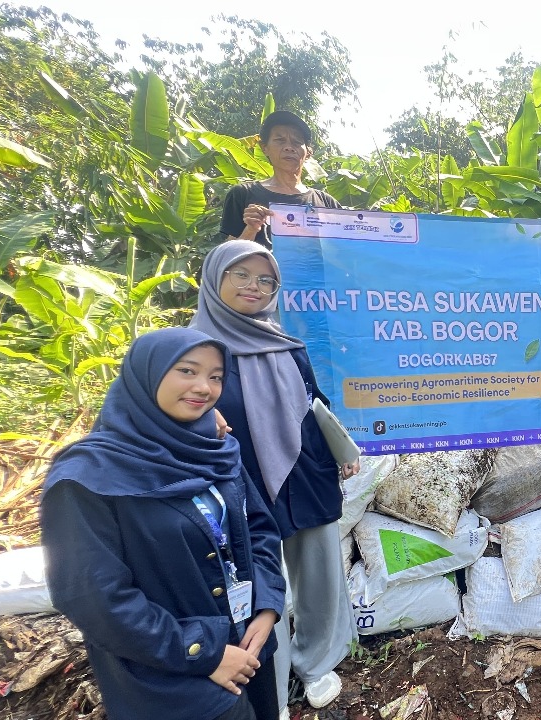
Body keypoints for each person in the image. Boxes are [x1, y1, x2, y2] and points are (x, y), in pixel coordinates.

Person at [41, 328, 285, 720]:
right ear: (147, 375)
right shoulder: (88, 476)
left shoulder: (215, 449)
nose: (204, 387)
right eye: (187, 371)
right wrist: (203, 653)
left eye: (216, 376)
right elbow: (93, 597)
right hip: (170, 680)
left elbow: (258, 529)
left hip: (248, 647)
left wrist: (267, 606)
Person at [190, 240, 358, 710]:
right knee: (260, 583)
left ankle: (317, 662)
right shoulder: (194, 348)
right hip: (238, 481)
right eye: (241, 275)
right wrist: (203, 418)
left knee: (321, 574)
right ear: (215, 279)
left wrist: (338, 449)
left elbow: (314, 402)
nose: (254, 287)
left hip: (306, 472)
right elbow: (162, 407)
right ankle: (272, 680)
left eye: (266, 280)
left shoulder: (286, 341)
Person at [220, 110, 339, 249]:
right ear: (264, 148)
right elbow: (227, 259)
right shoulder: (242, 194)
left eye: (297, 142)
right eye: (280, 140)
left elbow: (343, 254)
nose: (289, 147)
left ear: (308, 153)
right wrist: (251, 229)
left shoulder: (327, 203)